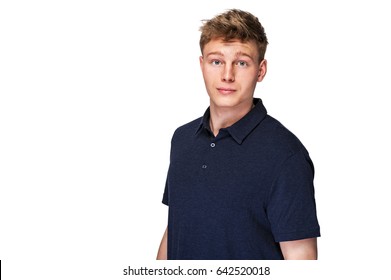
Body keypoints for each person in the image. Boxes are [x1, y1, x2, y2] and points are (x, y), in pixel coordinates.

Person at [157, 9, 320, 260]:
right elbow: (174, 229)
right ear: (202, 66)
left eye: (241, 62)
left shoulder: (286, 156)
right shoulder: (182, 139)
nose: (227, 75)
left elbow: (301, 260)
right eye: (216, 61)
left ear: (261, 70)